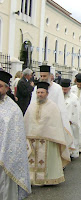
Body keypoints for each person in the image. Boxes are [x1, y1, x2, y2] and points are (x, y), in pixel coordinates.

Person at [24, 82, 71, 186]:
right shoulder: (31, 106)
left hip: (48, 139)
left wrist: (46, 132)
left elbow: (56, 125)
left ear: (47, 93)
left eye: (42, 92)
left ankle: (48, 180)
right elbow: (26, 122)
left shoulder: (53, 107)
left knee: (47, 160)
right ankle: (32, 179)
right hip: (33, 140)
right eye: (38, 92)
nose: (40, 94)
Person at [0, 70, 31, 199]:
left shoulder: (13, 110)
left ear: (7, 88)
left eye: (0, 86)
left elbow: (16, 138)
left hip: (5, 160)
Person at [30, 65, 74, 151]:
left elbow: (61, 107)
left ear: (50, 76)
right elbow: (32, 105)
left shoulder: (57, 88)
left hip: (52, 123)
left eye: (44, 76)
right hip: (38, 122)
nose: (42, 78)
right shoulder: (36, 88)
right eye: (41, 76)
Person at [61, 79, 81, 159]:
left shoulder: (74, 98)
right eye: (63, 89)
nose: (64, 91)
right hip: (60, 123)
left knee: (72, 138)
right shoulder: (59, 97)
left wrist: (71, 120)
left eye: (65, 89)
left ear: (69, 88)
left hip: (71, 123)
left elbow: (77, 111)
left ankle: (72, 153)